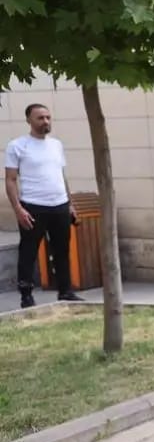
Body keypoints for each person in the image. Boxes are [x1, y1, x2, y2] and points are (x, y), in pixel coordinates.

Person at [5, 104, 82, 309]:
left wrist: (70, 204)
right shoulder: (17, 146)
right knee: (29, 251)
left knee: (61, 250)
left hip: (59, 205)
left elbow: (61, 176)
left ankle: (65, 291)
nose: (45, 121)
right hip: (33, 206)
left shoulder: (56, 145)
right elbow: (11, 180)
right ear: (29, 120)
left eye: (48, 117)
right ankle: (26, 295)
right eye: (40, 118)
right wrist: (18, 209)